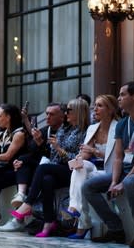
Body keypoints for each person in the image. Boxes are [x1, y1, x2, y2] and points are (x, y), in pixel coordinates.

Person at [10, 98, 89, 237]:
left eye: (69, 110)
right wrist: (51, 147)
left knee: (44, 168)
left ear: (78, 112)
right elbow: (52, 155)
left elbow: (79, 159)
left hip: (76, 170)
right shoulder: (64, 129)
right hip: (60, 168)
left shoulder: (85, 131)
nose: (66, 113)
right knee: (47, 180)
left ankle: (28, 203)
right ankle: (48, 222)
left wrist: (59, 149)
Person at [83, 81, 134, 247]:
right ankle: (115, 228)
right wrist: (115, 181)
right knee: (89, 186)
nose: (119, 98)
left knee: (130, 182)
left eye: (123, 94)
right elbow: (118, 157)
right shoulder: (123, 124)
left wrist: (123, 182)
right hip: (125, 171)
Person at [0, 103, 65, 232]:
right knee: (22, 161)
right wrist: (37, 143)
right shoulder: (46, 130)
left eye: (52, 114)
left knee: (43, 174)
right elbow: (34, 152)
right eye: (46, 114)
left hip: (60, 168)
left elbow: (56, 156)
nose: (47, 117)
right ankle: (21, 196)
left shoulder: (65, 130)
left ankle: (25, 208)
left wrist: (42, 144)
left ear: (62, 116)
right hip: (45, 166)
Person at [65, 95, 119, 239]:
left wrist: (94, 151)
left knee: (83, 181)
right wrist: (79, 158)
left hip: (111, 170)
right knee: (80, 167)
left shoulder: (118, 127)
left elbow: (118, 156)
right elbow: (86, 154)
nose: (95, 109)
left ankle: (82, 225)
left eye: (100, 105)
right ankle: (74, 207)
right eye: (95, 105)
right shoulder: (92, 128)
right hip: (95, 169)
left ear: (111, 110)